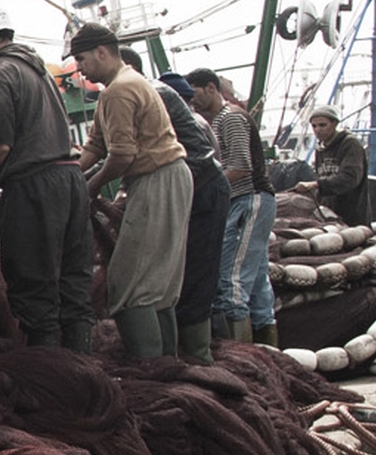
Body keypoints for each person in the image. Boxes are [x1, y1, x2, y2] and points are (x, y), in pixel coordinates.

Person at [0, 1, 95, 352]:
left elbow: (1, 146)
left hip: (36, 189)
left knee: (34, 283)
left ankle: (47, 369)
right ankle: (83, 365)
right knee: (74, 284)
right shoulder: (39, 70)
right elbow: (34, 141)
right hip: (70, 180)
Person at [70, 24, 194, 358]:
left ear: (101, 52)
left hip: (157, 178)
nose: (79, 68)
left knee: (128, 284)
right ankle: (169, 362)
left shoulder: (119, 91)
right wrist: (70, 176)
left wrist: (90, 189)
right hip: (169, 177)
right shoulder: (120, 86)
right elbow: (95, 146)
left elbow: (122, 155)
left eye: (81, 59)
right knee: (158, 283)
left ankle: (150, 367)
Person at [123, 52, 229, 362]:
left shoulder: (151, 94)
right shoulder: (157, 96)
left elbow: (123, 152)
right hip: (193, 188)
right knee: (180, 276)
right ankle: (187, 355)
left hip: (201, 192)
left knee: (196, 275)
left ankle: (199, 356)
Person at [190, 67, 278, 346]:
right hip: (246, 201)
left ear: (211, 88)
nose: (193, 101)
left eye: (195, 93)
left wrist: (204, 188)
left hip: (248, 199)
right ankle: (268, 348)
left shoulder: (230, 118)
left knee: (231, 279)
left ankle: (240, 353)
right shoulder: (218, 121)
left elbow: (240, 167)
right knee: (259, 283)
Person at [301, 105, 371, 227]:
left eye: (323, 125)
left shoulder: (350, 144)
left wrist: (316, 184)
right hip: (329, 217)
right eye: (314, 126)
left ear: (334, 124)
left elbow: (350, 178)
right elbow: (322, 180)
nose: (318, 130)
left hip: (352, 217)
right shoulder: (320, 148)